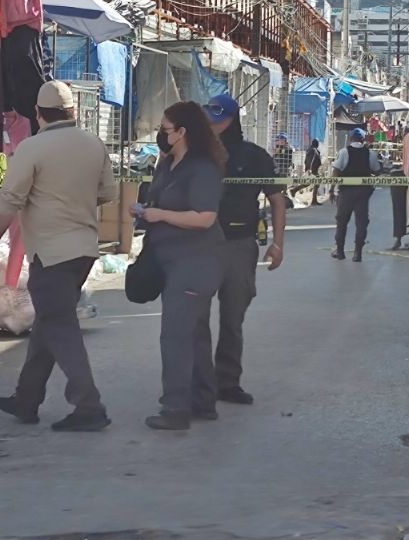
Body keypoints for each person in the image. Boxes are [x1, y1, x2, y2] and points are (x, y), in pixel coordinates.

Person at [0, 81, 118, 432]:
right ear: (73, 112)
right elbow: (108, 192)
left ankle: (89, 406)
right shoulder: (94, 143)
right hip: (84, 251)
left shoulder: (32, 148)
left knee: (60, 329)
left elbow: (9, 201)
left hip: (51, 253)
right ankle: (26, 400)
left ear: (38, 114)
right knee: (48, 324)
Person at [130, 101, 226, 430]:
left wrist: (161, 215)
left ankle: (175, 409)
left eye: (165, 128)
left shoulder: (202, 168)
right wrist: (144, 210)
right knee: (195, 333)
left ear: (182, 132)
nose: (161, 134)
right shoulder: (168, 163)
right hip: (170, 259)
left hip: (197, 262)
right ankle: (203, 401)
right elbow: (161, 200)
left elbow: (205, 217)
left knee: (175, 336)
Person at [204, 94, 287, 406]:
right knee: (195, 318)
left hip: (239, 245)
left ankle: (227, 382)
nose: (212, 127)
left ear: (230, 120)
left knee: (232, 317)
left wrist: (278, 244)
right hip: (199, 245)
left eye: (217, 120)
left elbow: (277, 198)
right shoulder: (197, 153)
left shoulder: (254, 156)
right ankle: (197, 382)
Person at [331, 128, 382, 262]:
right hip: (363, 193)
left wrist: (331, 189)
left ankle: (340, 251)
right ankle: (357, 253)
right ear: (363, 139)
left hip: (346, 192)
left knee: (342, 222)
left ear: (350, 138)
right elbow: (377, 170)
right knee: (361, 222)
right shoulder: (370, 153)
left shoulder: (343, 152)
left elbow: (336, 171)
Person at [304, 139, 323, 206]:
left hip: (313, 170)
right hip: (312, 170)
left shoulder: (311, 149)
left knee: (310, 183)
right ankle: (314, 200)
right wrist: (310, 169)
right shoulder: (313, 150)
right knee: (314, 183)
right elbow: (310, 160)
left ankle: (314, 200)